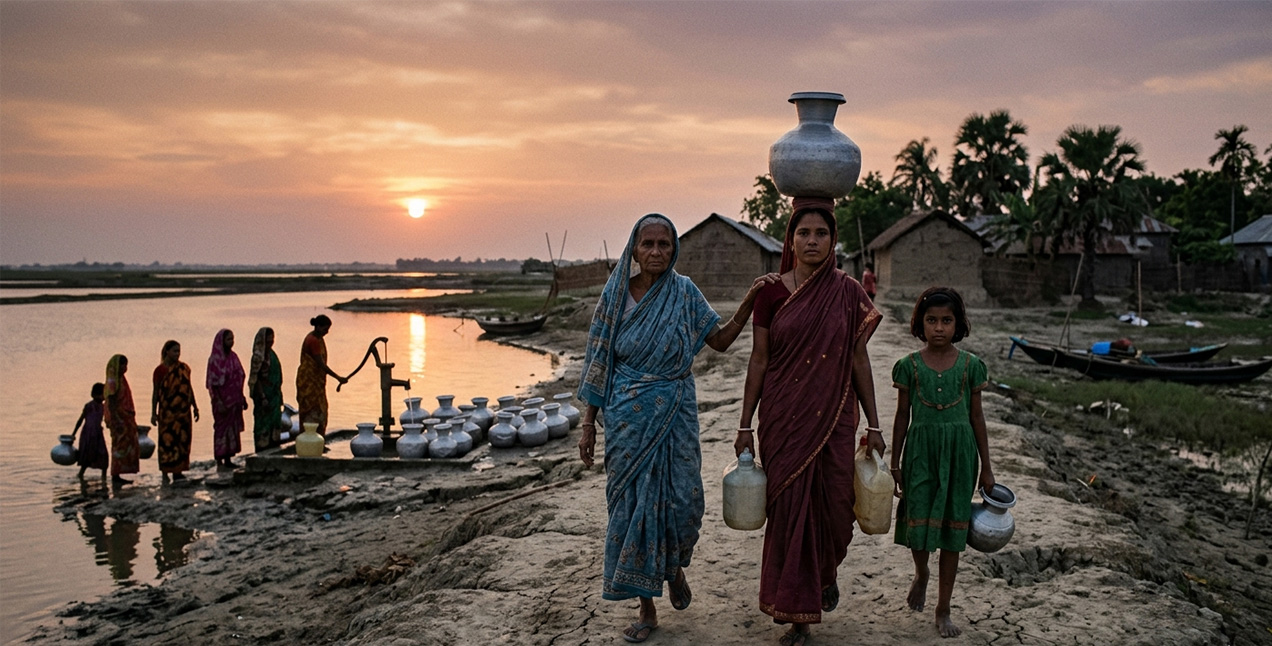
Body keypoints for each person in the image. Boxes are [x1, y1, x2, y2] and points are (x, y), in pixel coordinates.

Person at [576, 213, 779, 644]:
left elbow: (719, 341)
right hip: (627, 419)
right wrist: (588, 423)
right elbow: (598, 360)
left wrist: (748, 302)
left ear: (674, 249)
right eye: (647, 244)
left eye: (663, 244)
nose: (655, 251)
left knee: (685, 504)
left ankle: (674, 570)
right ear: (634, 250)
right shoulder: (615, 297)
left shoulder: (684, 293)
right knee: (633, 509)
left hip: (676, 411)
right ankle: (647, 608)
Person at [735, 197, 883, 646]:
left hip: (834, 417)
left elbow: (858, 359)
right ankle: (799, 616)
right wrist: (744, 425)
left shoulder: (849, 292)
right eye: (803, 233)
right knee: (790, 512)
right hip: (783, 418)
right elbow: (759, 360)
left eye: (821, 233)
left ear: (833, 240)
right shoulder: (770, 293)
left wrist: (875, 424)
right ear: (791, 239)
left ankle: (825, 573)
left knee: (837, 508)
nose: (812, 240)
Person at [890, 286, 995, 638]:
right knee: (917, 521)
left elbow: (977, 417)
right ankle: (921, 573)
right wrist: (895, 462)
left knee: (953, 532)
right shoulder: (908, 366)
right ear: (920, 323)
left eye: (946, 321)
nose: (939, 328)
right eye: (931, 320)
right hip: (920, 454)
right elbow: (901, 416)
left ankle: (943, 608)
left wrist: (987, 467)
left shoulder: (971, 366)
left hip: (960, 455)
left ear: (958, 324)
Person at [151, 340, 199, 480]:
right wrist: (153, 413)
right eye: (174, 351)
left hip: (183, 412)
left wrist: (195, 406)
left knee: (182, 441)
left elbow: (188, 388)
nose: (177, 354)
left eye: (179, 351)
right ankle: (165, 471)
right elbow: (156, 393)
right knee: (167, 442)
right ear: (167, 351)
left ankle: (178, 471)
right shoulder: (160, 371)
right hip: (167, 413)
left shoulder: (184, 368)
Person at [296, 315, 347, 434]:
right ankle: (311, 438)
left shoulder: (317, 339)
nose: (327, 332)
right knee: (313, 411)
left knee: (319, 410)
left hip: (315, 382)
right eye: (325, 329)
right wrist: (337, 377)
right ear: (318, 327)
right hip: (309, 382)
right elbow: (321, 364)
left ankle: (316, 438)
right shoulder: (313, 340)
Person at [207, 329, 247, 468]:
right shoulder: (215, 360)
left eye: (232, 339)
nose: (231, 342)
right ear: (221, 341)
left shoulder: (234, 357)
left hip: (234, 400)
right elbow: (212, 384)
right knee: (221, 429)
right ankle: (219, 459)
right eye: (229, 339)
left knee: (232, 428)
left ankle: (229, 459)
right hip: (221, 401)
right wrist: (218, 401)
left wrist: (242, 397)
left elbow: (240, 376)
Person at [104, 354, 140, 485]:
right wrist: (116, 418)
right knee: (119, 445)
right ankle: (115, 475)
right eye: (122, 365)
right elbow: (112, 402)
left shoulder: (121, 379)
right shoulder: (113, 381)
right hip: (118, 419)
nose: (125, 368)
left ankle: (118, 474)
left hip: (125, 418)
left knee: (125, 444)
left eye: (126, 365)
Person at [249, 327, 284, 452]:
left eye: (272, 339)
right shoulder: (258, 357)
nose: (270, 342)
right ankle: (261, 450)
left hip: (274, 395)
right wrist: (263, 397)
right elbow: (256, 378)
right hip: (263, 395)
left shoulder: (272, 355)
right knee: (263, 424)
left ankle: (273, 449)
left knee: (275, 423)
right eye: (268, 340)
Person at [72, 383, 109, 479]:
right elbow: (80, 420)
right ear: (95, 395)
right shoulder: (88, 406)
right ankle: (80, 475)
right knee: (87, 457)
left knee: (104, 456)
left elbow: (107, 420)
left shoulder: (104, 407)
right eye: (103, 394)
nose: (104, 396)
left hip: (98, 434)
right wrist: (73, 434)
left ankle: (104, 478)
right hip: (88, 435)